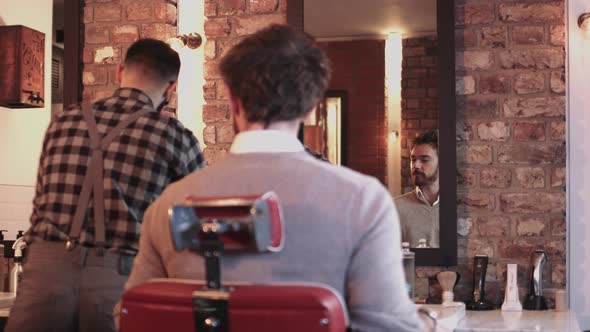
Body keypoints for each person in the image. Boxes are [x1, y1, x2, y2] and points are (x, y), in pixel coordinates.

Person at [122, 25, 423, 331]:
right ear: (311, 107)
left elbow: (130, 318)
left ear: (231, 100)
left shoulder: (168, 206)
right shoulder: (363, 202)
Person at [6, 38, 204, 332]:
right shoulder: (175, 137)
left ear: (120, 72)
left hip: (45, 273)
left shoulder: (63, 122)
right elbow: (191, 229)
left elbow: (40, 205)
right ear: (171, 88)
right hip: (119, 278)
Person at [395, 130, 440, 248]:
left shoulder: (458, 206)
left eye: (424, 160)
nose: (416, 165)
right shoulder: (396, 207)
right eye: (413, 159)